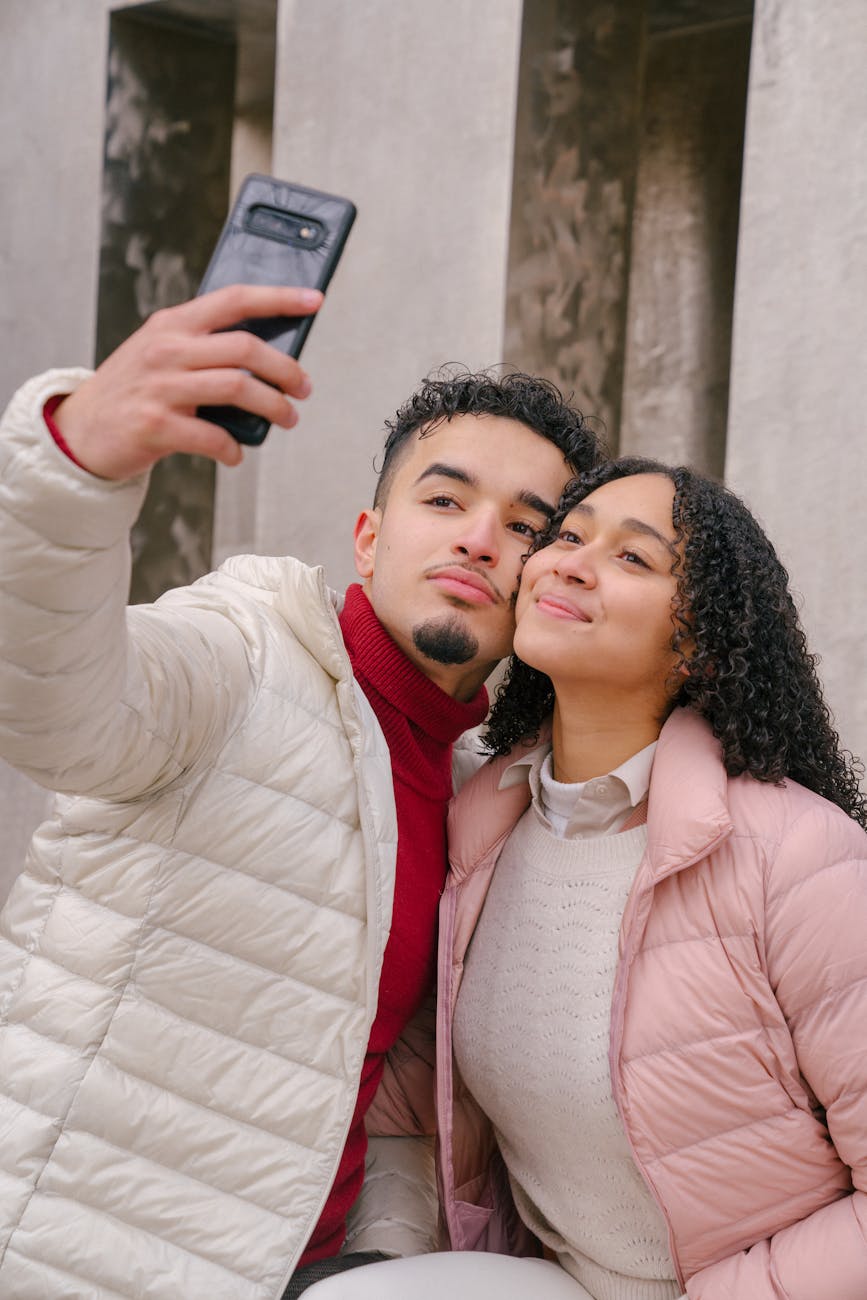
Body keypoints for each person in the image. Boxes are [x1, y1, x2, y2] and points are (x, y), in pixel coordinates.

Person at [0, 284, 603, 1300]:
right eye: (445, 500)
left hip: (309, 1272)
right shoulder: (246, 652)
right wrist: (75, 464)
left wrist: (388, 1254)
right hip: (78, 1255)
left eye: (524, 525)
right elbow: (62, 706)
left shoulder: (476, 794)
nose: (478, 537)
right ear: (369, 537)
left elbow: (389, 1102)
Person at [305, 457, 867, 1300]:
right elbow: (408, 1115)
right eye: (566, 536)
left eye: (633, 558)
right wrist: (392, 1261)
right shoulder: (481, 826)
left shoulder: (796, 857)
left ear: (701, 644)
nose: (566, 561)